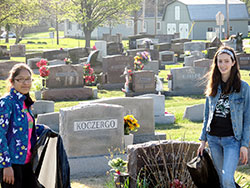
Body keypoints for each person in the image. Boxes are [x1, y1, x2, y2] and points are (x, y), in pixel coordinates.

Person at [198, 46, 250, 188]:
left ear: (233, 62)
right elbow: (207, 114)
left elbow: (248, 119)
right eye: (220, 61)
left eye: (226, 61)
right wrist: (203, 140)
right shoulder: (213, 85)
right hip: (213, 139)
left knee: (227, 179)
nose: (223, 65)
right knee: (222, 180)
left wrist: (245, 145)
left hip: (231, 141)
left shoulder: (243, 88)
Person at [0, 63, 46, 188]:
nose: (26, 83)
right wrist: (6, 165)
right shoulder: (6, 103)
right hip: (12, 165)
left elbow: (24, 128)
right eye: (20, 79)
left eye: (28, 79)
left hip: (28, 162)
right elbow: (0, 135)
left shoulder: (25, 103)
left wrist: (43, 130)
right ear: (12, 81)